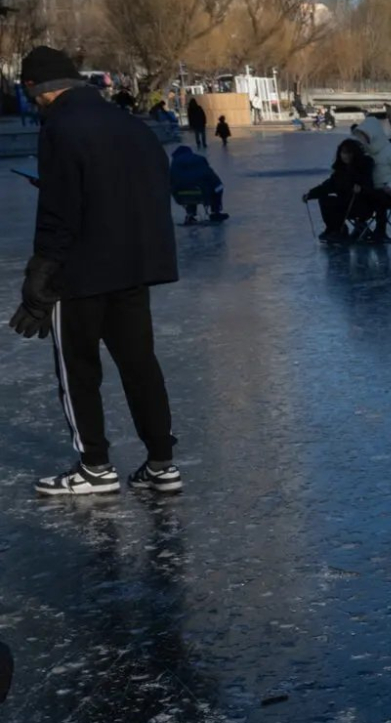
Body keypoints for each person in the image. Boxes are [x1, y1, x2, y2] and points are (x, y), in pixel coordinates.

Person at [7, 46, 180, 497]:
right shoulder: (130, 124)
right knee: (140, 365)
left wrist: (40, 277)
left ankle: (94, 466)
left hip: (81, 271)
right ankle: (162, 463)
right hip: (134, 266)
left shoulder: (61, 127)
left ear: (35, 89)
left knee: (78, 370)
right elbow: (147, 186)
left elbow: (59, 212)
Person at [347, 115, 391, 243]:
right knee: (357, 196)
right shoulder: (365, 155)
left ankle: (380, 231)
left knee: (378, 197)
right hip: (373, 193)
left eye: (365, 136)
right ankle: (360, 227)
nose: (363, 140)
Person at [303, 138, 371, 242]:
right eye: (344, 153)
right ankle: (334, 229)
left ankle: (338, 230)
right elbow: (328, 186)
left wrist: (361, 189)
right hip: (345, 204)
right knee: (325, 200)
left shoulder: (364, 167)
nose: (346, 156)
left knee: (335, 204)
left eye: (349, 153)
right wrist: (311, 194)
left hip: (361, 205)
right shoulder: (340, 171)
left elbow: (369, 184)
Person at [168, 145, 227, 225]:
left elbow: (171, 179)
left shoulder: (174, 163)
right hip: (201, 191)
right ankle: (215, 212)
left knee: (187, 189)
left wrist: (174, 191)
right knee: (217, 188)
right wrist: (217, 185)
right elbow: (209, 174)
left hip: (180, 193)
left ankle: (190, 214)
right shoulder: (199, 159)